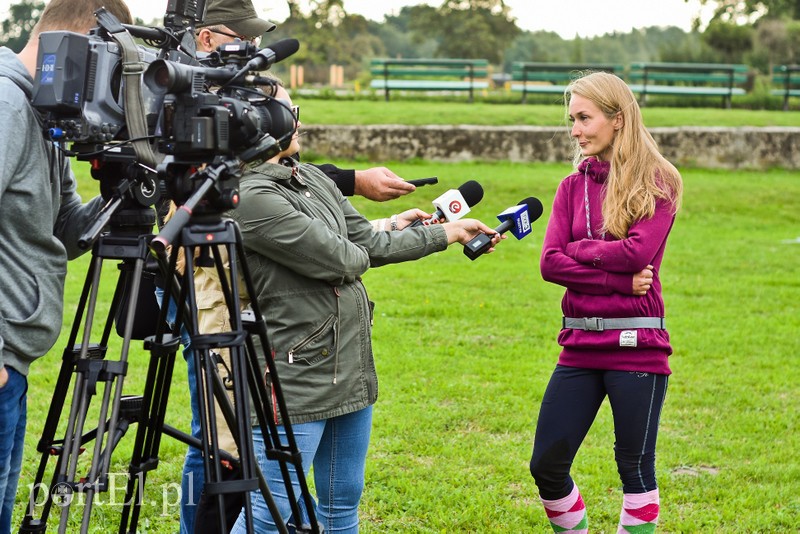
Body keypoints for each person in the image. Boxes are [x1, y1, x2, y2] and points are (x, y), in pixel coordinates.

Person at [225, 85, 501, 533]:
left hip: (349, 364)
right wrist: (356, 249)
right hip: (296, 376)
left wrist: (447, 233)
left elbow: (370, 242)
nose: (299, 119)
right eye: (289, 110)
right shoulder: (250, 197)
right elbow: (346, 258)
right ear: (259, 122)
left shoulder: (310, 177)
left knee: (341, 506)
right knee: (269, 514)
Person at [530, 71, 683, 533]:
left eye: (583, 118)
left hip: (638, 346)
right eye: (571, 119)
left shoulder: (660, 181)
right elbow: (550, 264)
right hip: (579, 344)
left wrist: (578, 251)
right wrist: (618, 281)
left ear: (617, 119)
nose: (574, 130)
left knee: (634, 470)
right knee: (546, 465)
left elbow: (638, 252)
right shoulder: (570, 187)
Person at [0, 0, 133, 532]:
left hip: (16, 356)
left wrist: (127, 193)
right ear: (83, 49)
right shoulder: (7, 106)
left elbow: (63, 229)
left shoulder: (45, 114)